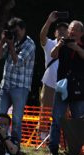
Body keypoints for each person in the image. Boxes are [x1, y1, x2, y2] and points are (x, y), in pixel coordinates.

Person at [0, 17, 36, 143]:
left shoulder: (30, 45)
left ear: (23, 30)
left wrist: (11, 45)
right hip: (5, 85)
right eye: (12, 31)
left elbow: (18, 62)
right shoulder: (11, 40)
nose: (15, 34)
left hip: (20, 87)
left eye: (16, 31)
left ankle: (15, 144)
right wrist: (2, 42)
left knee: (17, 119)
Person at [47, 21, 84, 155]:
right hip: (62, 87)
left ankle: (74, 152)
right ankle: (53, 149)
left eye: (75, 30)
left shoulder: (82, 45)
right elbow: (52, 55)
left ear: (81, 33)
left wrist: (77, 48)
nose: (72, 32)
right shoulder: (62, 44)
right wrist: (59, 45)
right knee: (57, 118)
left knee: (77, 121)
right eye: (71, 29)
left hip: (78, 89)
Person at [38, 12, 69, 141]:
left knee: (65, 113)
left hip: (66, 85)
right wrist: (49, 21)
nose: (61, 31)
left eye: (64, 29)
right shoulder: (50, 43)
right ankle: (42, 138)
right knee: (45, 111)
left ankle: (62, 140)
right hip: (50, 83)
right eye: (59, 29)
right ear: (55, 33)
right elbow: (42, 36)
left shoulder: (72, 46)